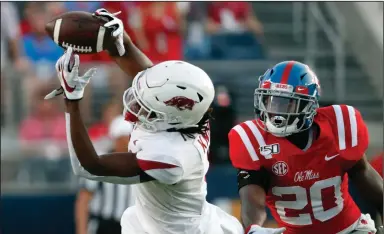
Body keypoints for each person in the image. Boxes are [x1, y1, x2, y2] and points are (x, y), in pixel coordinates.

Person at [45, 8, 243, 234]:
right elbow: (149, 73)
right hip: (159, 221)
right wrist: (121, 39)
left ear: (171, 114)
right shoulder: (188, 116)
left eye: (147, 105)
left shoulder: (172, 157)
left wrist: (72, 99)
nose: (136, 107)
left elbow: (89, 166)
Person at [228, 61, 383, 234]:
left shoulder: (339, 125)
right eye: (270, 101)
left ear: (308, 105)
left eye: (286, 103)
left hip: (349, 230)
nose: (275, 111)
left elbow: (365, 175)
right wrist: (253, 229)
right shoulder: (252, 139)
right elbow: (252, 198)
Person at [75, 116, 134, 234]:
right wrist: (82, 231)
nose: (132, 140)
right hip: (105, 225)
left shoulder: (140, 163)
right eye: (128, 136)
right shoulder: (100, 163)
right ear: (117, 138)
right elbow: (83, 200)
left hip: (131, 226)